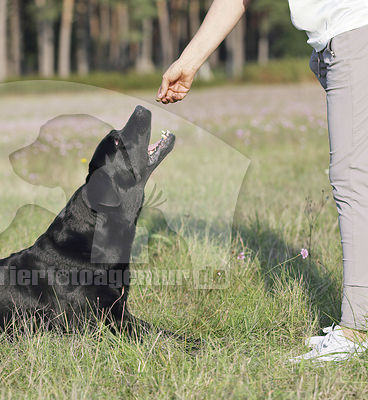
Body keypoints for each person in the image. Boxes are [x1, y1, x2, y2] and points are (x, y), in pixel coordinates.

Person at [156, 0, 368, 362]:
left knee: (352, 179)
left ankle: (356, 331)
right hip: (334, 44)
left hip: (353, 37)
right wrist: (189, 61)